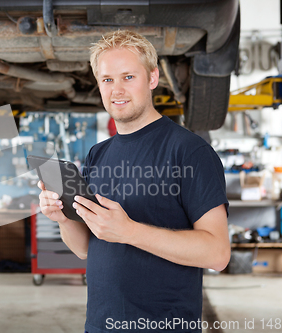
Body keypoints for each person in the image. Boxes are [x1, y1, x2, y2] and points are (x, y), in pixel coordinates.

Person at [38, 30, 230, 333]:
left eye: (128, 77)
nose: (117, 90)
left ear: (152, 78)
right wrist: (61, 218)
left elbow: (218, 253)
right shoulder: (98, 154)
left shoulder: (189, 151)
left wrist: (129, 231)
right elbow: (86, 249)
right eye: (107, 79)